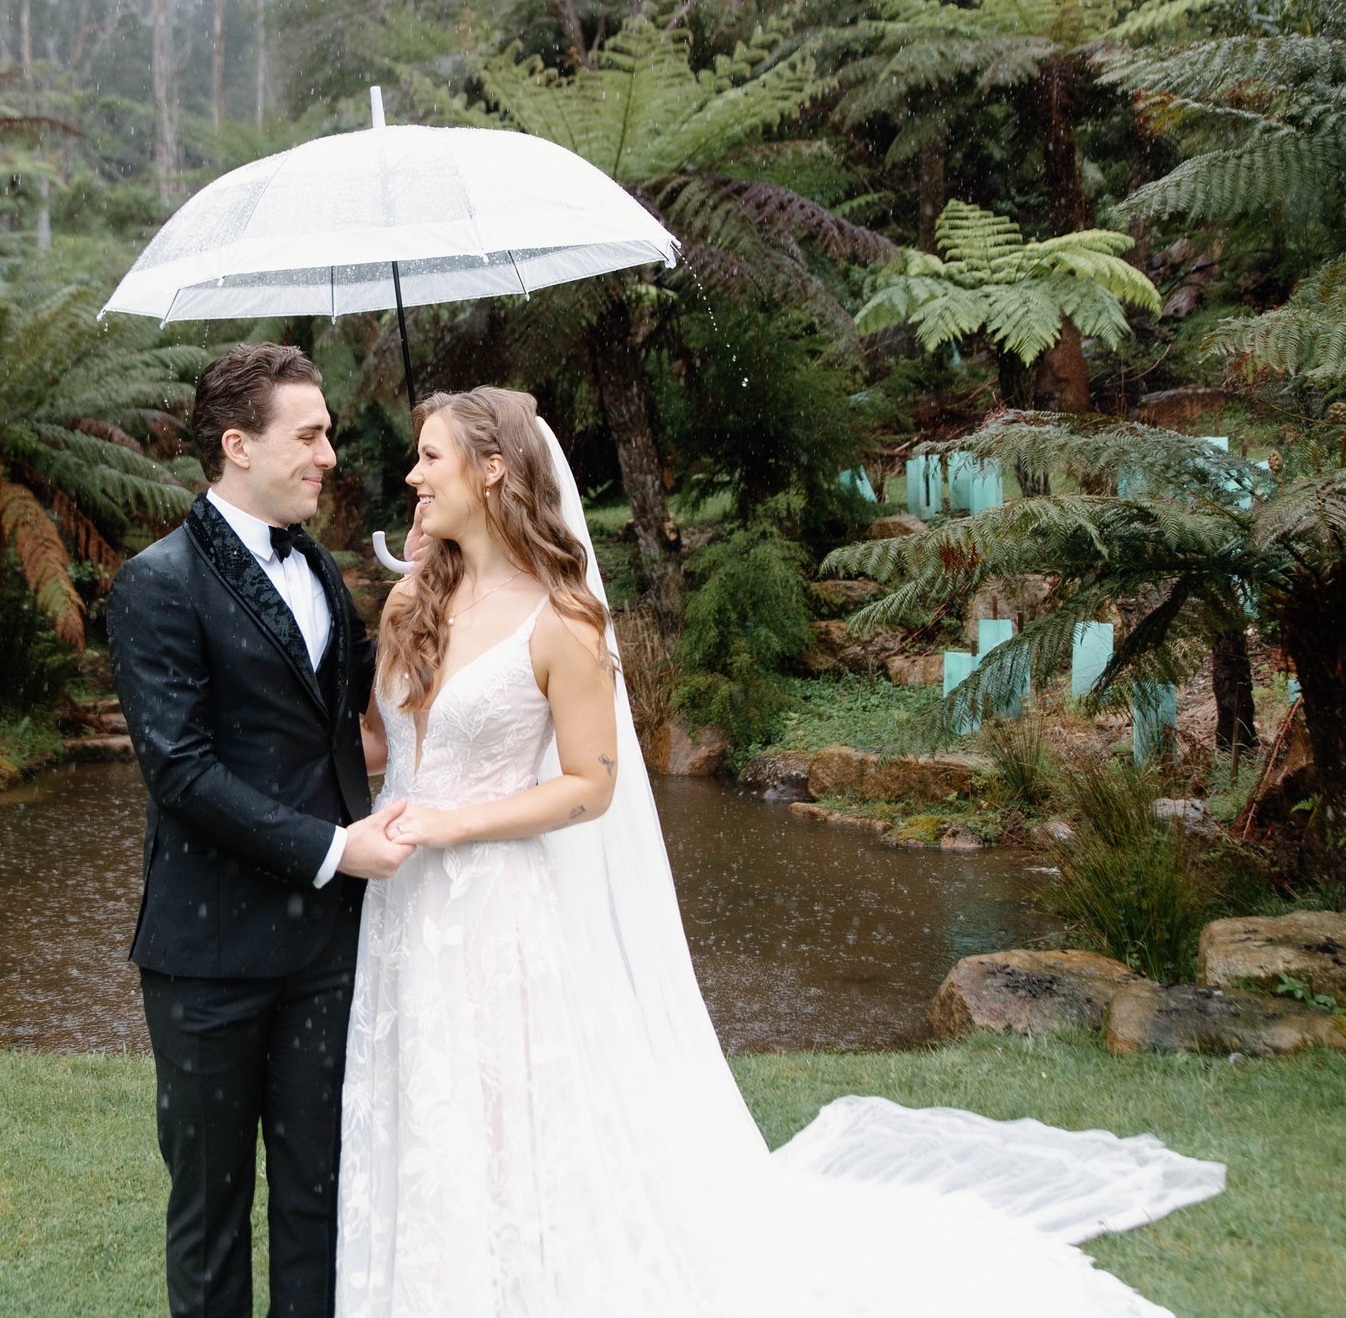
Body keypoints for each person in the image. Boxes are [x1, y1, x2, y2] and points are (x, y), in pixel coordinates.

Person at [337, 385, 1227, 1318]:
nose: (410, 474)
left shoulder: (563, 619)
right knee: (421, 1104)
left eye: (429, 456)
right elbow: (385, 746)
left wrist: (453, 822)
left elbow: (590, 784)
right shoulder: (411, 601)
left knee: (507, 1112)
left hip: (499, 907)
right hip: (403, 905)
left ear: (491, 469)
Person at [106, 343, 413, 1318]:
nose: (330, 453)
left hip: (327, 945)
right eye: (310, 434)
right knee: (211, 1204)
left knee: (322, 1190)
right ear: (238, 444)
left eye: (328, 432)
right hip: (209, 956)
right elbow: (182, 771)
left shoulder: (320, 564)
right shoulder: (155, 582)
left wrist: (438, 580)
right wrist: (336, 848)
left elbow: (351, 720)